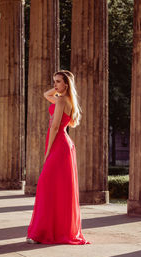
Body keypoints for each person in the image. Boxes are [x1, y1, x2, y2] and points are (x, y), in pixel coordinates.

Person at [26, 70, 90, 245]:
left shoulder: (62, 100)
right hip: (65, 145)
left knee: (47, 185)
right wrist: (58, 88)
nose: (54, 85)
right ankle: (53, 230)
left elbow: (54, 127)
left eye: (58, 82)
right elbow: (46, 94)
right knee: (59, 188)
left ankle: (42, 233)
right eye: (54, 81)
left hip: (59, 144)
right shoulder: (65, 99)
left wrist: (48, 151)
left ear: (66, 84)